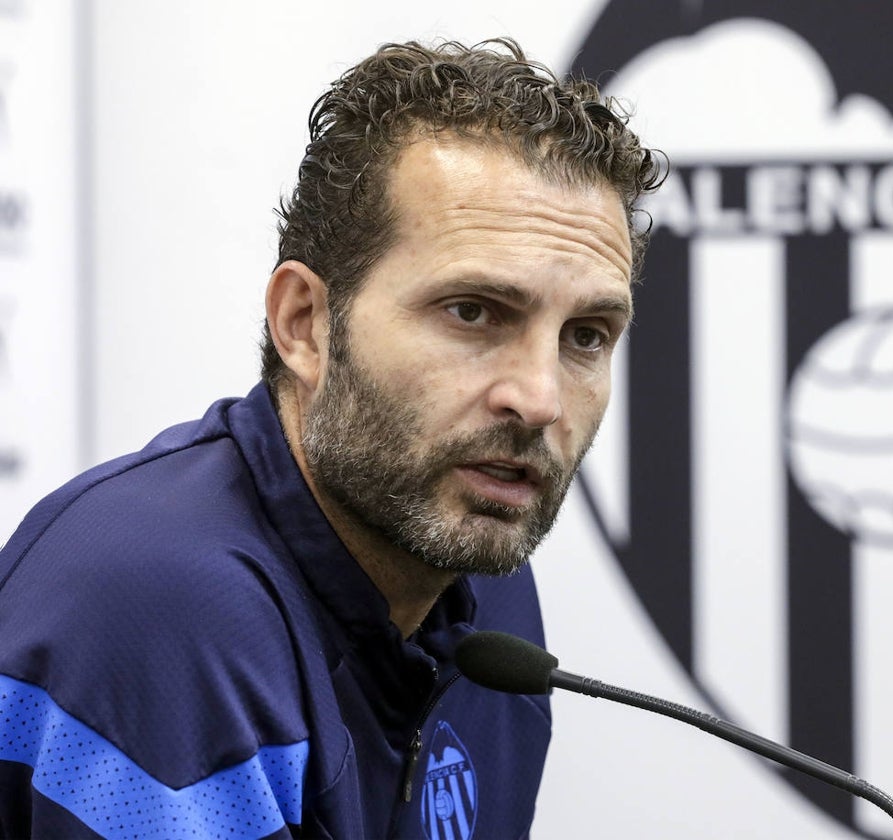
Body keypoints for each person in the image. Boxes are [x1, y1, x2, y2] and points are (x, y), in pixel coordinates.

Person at [0, 38, 660, 839]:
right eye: (473, 312)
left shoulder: (488, 596)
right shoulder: (160, 608)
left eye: (586, 335)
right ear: (304, 325)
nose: (539, 397)